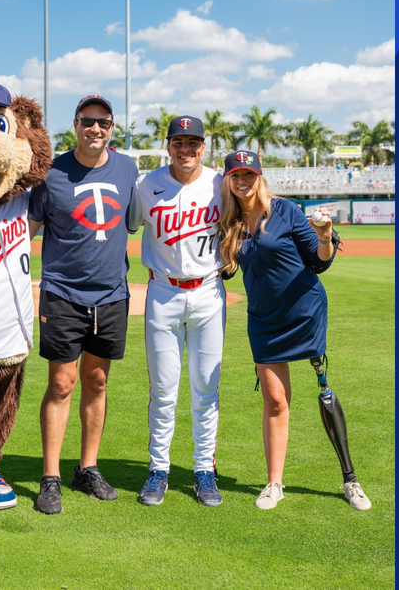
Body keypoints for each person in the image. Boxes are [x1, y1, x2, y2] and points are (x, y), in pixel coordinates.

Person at [215, 150, 372, 512]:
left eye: (248, 175)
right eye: (235, 176)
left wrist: (326, 234)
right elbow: (226, 271)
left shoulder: (285, 211)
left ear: (259, 177)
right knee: (275, 400)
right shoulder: (230, 222)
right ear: (228, 180)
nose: (242, 182)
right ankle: (274, 484)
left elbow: (319, 261)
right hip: (264, 320)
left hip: (304, 311)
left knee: (323, 388)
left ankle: (350, 480)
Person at [28, 94, 139, 515]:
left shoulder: (127, 168)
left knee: (97, 381)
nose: (96, 129)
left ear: (112, 128)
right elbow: (29, 229)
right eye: (88, 121)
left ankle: (87, 469)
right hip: (63, 294)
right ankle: (51, 476)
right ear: (75, 124)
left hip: (111, 293)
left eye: (104, 123)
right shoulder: (52, 172)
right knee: (61, 384)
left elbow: (134, 219)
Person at [128, 115, 225, 507]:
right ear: (167, 145)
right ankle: (159, 470)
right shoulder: (146, 185)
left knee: (206, 390)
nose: (186, 149)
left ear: (204, 146)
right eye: (178, 142)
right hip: (163, 293)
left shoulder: (220, 183)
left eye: (193, 143)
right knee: (163, 390)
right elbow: (127, 226)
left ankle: (204, 469)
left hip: (208, 294)